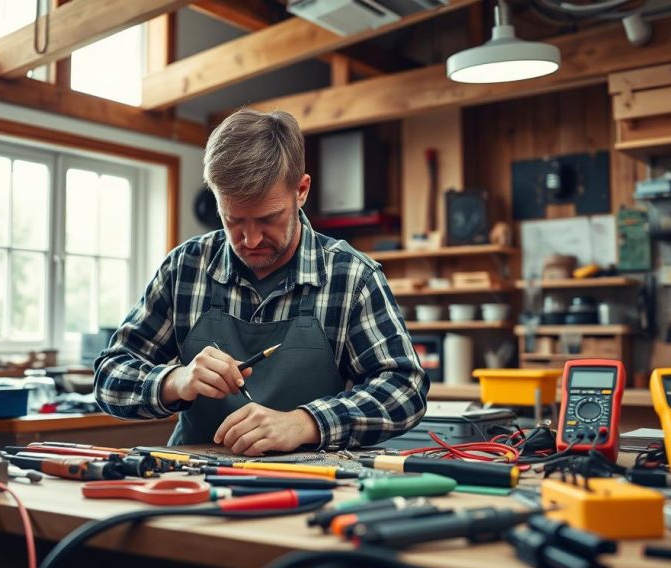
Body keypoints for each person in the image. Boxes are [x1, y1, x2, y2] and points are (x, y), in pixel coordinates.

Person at [94, 108, 427, 455]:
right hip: (197, 477)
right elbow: (108, 377)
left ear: (301, 190)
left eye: (268, 219)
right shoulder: (185, 268)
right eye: (233, 220)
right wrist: (175, 381)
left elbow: (405, 389)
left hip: (315, 483)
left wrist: (305, 423)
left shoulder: (352, 278)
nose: (250, 240)